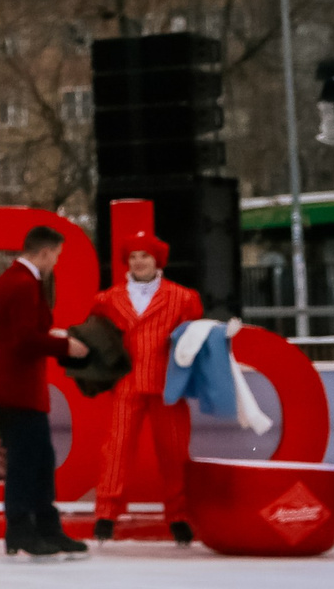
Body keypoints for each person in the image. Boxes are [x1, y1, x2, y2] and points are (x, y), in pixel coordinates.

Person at [86, 230, 230, 549]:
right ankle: (106, 515)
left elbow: (193, 340)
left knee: (174, 452)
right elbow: (98, 337)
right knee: (117, 450)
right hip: (126, 383)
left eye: (145, 256)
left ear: (157, 260)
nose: (139, 262)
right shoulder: (107, 300)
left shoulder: (182, 297)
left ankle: (179, 517)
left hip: (169, 385)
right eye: (133, 256)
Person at [0, 225, 89, 559]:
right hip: (18, 390)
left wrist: (51, 335)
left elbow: (19, 333)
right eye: (56, 255)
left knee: (37, 460)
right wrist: (65, 345)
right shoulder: (24, 284)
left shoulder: (14, 281)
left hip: (16, 388)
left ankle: (38, 529)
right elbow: (24, 340)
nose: (56, 262)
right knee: (30, 463)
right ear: (44, 252)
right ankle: (27, 529)